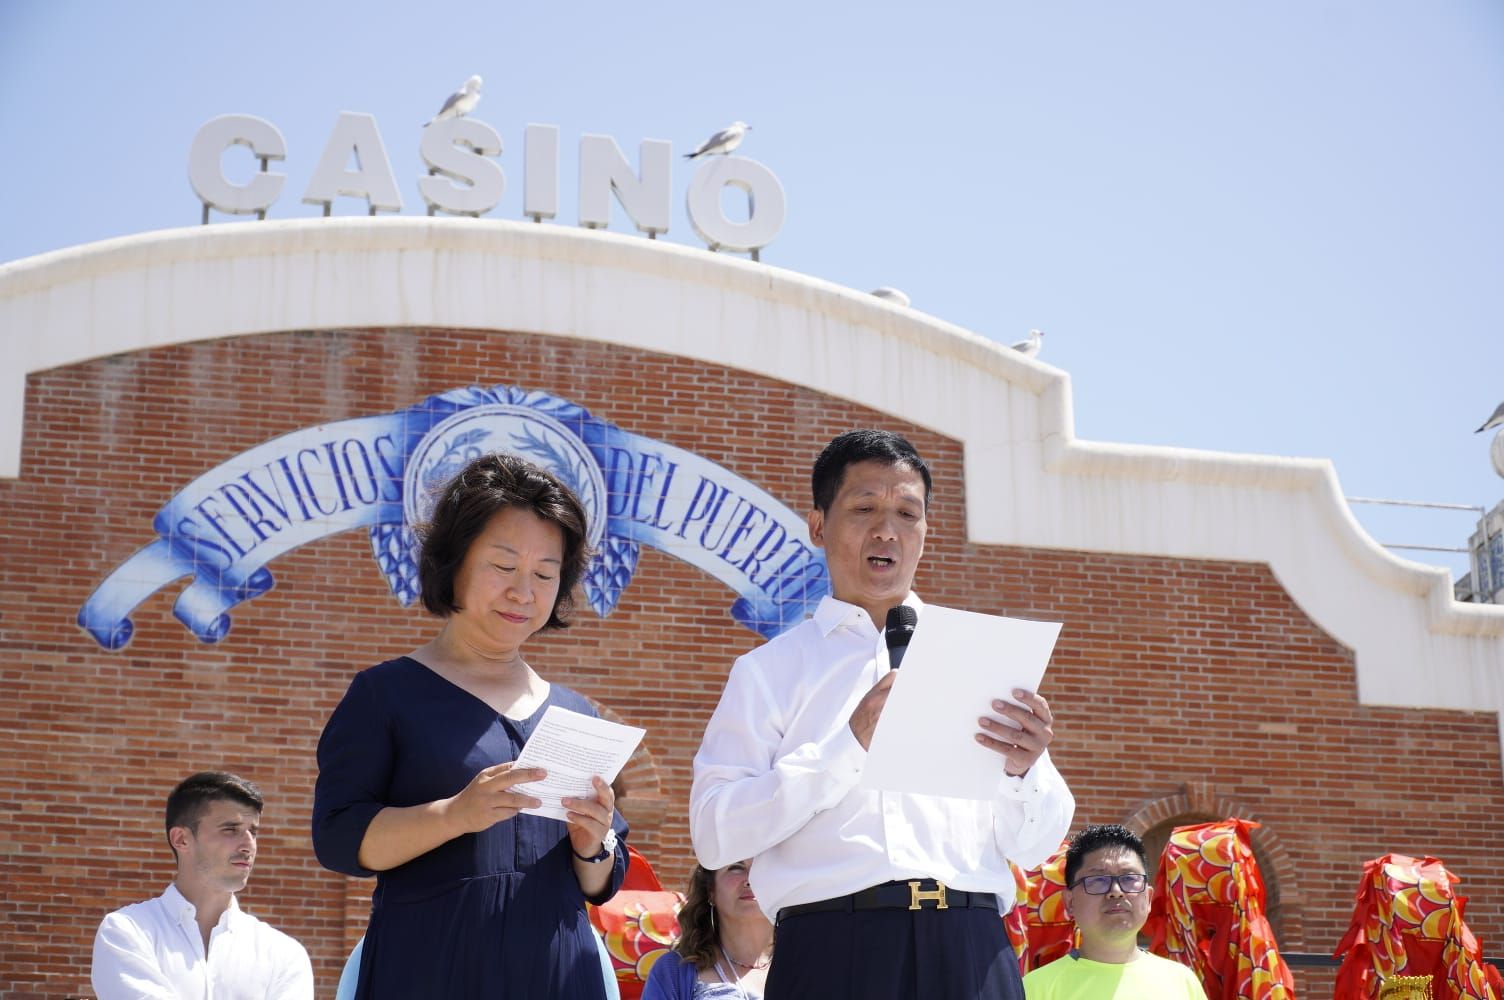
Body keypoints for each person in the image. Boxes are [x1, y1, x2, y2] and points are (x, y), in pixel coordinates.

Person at [690, 429, 1075, 1000]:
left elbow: (1036, 844)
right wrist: (847, 747)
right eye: (865, 507)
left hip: (971, 946)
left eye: (906, 513)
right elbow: (714, 834)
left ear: (925, 531)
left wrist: (1025, 771)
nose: (886, 530)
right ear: (818, 525)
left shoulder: (978, 656)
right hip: (833, 950)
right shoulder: (768, 672)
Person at [313, 452, 629, 998]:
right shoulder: (385, 694)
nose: (523, 592)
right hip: (427, 972)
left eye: (544, 574)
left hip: (560, 977)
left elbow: (601, 884)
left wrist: (591, 847)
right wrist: (454, 815)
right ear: (453, 562)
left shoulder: (576, 714)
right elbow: (339, 839)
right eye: (504, 567)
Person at [91, 771, 313, 999]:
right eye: (231, 829)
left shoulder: (283, 953)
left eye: (253, 831)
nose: (249, 845)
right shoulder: (126, 931)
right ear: (181, 839)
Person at [1022, 824, 1205, 998]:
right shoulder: (1035, 988)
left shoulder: (1182, 982)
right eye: (1098, 880)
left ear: (1148, 898)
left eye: (1129, 878)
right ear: (1070, 902)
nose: (1116, 892)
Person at [642, 860, 774, 1000]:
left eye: (761, 867)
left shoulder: (798, 963)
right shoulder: (672, 971)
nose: (750, 880)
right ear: (711, 891)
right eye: (736, 868)